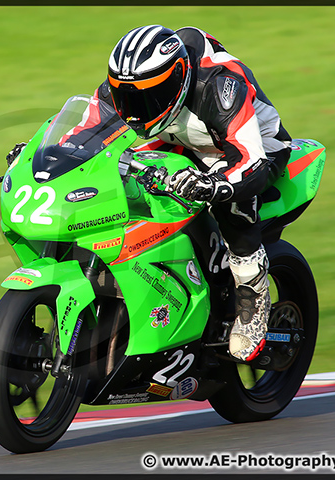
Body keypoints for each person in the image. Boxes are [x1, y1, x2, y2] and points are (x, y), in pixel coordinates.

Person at [96, 25, 293, 361]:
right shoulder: (128, 85)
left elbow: (250, 160)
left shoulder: (219, 86)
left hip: (252, 147)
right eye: (127, 97)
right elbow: (87, 128)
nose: (135, 109)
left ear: (178, 79)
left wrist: (214, 184)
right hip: (186, 142)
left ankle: (252, 296)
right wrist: (50, 153)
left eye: (149, 98)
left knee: (232, 205)